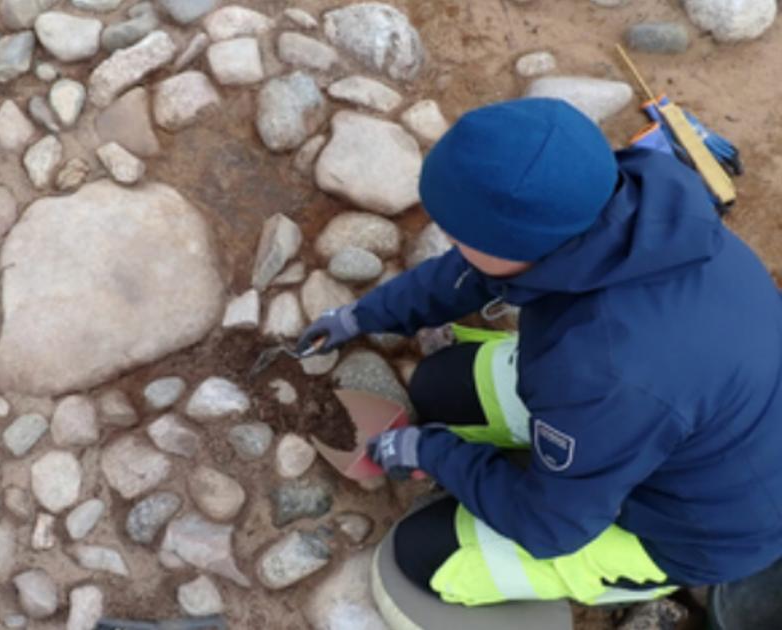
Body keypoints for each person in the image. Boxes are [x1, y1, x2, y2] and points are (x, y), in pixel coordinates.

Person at [297, 98, 782, 607]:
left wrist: (432, 453)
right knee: (439, 386)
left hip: (701, 525)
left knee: (423, 555)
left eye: (461, 234)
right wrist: (363, 315)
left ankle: (631, 565)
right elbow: (477, 268)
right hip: (694, 417)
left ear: (519, 246)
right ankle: (575, 461)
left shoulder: (602, 371)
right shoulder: (627, 204)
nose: (452, 242)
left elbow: (550, 526)